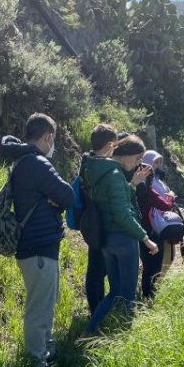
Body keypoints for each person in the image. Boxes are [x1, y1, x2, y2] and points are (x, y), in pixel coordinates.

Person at [1, 113, 74, 367]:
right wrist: (54, 201)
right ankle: (37, 366)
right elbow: (68, 196)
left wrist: (51, 200)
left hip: (35, 247)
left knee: (45, 304)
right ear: (48, 137)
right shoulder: (37, 163)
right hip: (39, 248)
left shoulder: (22, 161)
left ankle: (46, 352)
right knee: (39, 309)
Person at [83, 135, 158, 333]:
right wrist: (145, 238)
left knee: (115, 291)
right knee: (129, 295)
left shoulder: (99, 170)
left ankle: (89, 332)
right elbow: (122, 214)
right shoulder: (115, 174)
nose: (138, 163)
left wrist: (133, 184)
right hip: (124, 238)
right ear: (126, 154)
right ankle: (126, 335)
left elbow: (116, 201)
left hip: (107, 238)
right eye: (137, 158)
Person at [79, 123, 118, 315]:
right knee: (97, 268)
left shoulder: (87, 162)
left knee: (96, 266)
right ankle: (97, 310)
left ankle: (98, 306)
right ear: (110, 145)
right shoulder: (101, 166)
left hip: (91, 220)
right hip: (100, 222)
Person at [137, 150, 179, 299]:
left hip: (149, 225)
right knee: (153, 265)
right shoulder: (148, 186)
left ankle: (148, 294)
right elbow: (164, 204)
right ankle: (149, 296)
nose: (157, 165)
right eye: (154, 162)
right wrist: (171, 198)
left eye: (158, 162)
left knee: (151, 263)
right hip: (151, 228)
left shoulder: (148, 181)